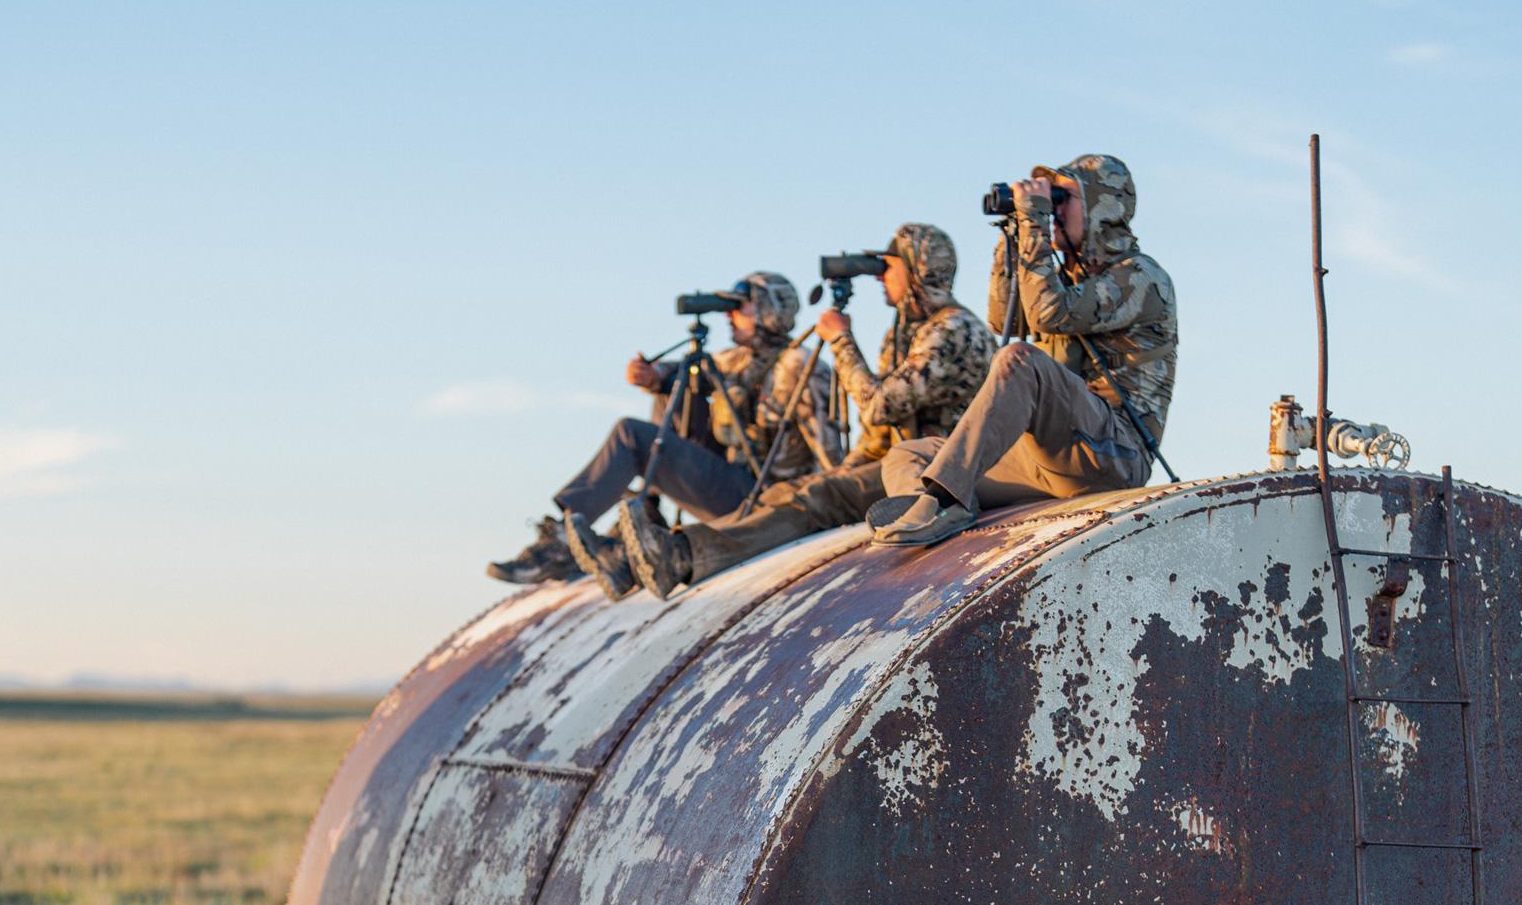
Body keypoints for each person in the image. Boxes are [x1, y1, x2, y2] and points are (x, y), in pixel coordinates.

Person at [587, 224, 995, 599]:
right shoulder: (906, 333)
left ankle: (684, 555)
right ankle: (665, 552)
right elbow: (877, 438)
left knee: (818, 495)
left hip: (939, 468)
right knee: (789, 494)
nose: (876, 276)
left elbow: (878, 408)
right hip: (903, 464)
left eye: (886, 267)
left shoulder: (955, 329)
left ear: (917, 268)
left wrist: (841, 341)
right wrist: (844, 470)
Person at [868, 153, 1177, 547]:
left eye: (1061, 199)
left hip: (1113, 454)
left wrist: (1033, 219)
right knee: (911, 454)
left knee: (1020, 360)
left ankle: (948, 501)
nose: (1052, 209)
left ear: (1102, 207)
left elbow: (1048, 315)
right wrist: (1012, 237)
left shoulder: (1142, 278)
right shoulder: (1067, 277)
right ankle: (926, 513)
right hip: (1052, 456)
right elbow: (1006, 320)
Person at [482, 273, 841, 593]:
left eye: (739, 308)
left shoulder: (801, 367)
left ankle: (562, 542)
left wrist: (834, 516)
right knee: (680, 385)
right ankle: (641, 519)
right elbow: (691, 370)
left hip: (768, 501)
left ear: (769, 312)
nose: (728, 316)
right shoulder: (740, 361)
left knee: (631, 434)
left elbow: (829, 451)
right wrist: (652, 377)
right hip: (737, 484)